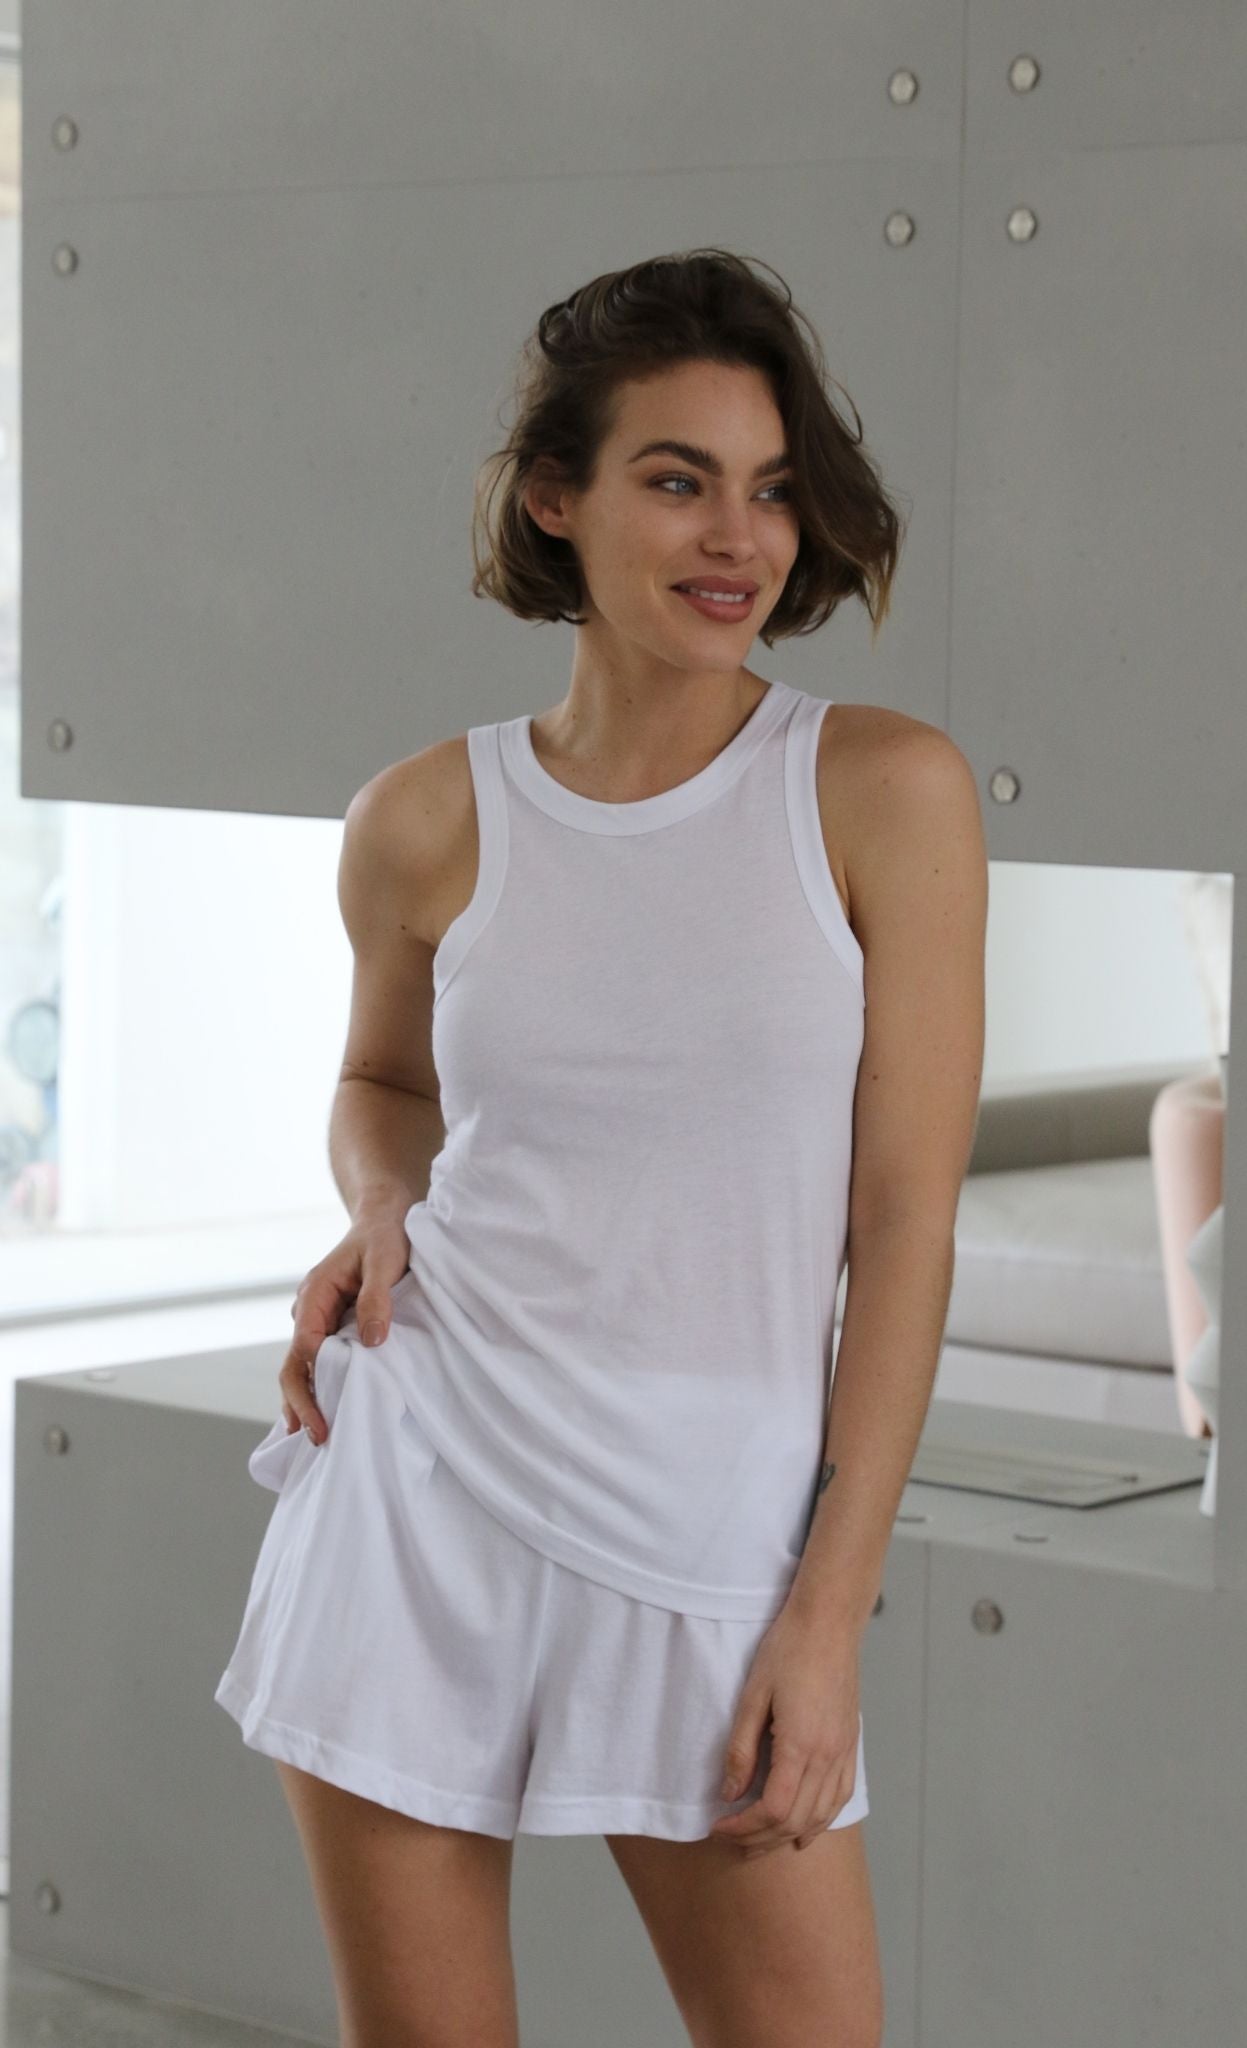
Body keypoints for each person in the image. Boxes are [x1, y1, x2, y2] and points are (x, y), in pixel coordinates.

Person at [214, 247, 987, 2048]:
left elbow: (904, 1219)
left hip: (716, 1535)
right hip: (419, 1481)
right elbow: (381, 1082)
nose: (738, 538)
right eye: (677, 478)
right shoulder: (423, 816)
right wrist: (382, 1202)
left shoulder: (882, 793)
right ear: (555, 499)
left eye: (772, 489)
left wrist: (827, 1616)